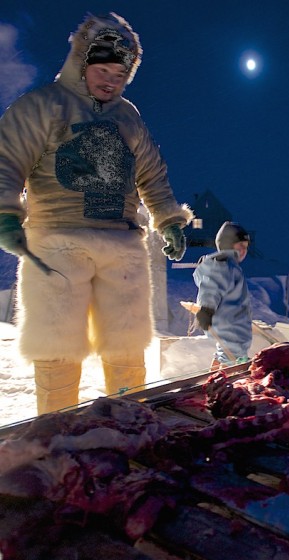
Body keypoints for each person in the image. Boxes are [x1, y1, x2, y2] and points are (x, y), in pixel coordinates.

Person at [0, 12, 193, 414]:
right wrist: (5, 213)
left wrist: (169, 219)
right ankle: (56, 431)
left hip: (121, 243)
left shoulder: (128, 117)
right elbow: (7, 160)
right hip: (56, 240)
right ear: (81, 63)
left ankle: (127, 424)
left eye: (119, 75)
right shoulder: (43, 106)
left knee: (126, 347)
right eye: (102, 69)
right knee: (57, 348)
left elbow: (151, 174)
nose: (110, 80)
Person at [193, 221, 252, 369]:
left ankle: (213, 383)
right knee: (232, 361)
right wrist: (206, 309)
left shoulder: (229, 265)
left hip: (232, 323)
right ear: (228, 244)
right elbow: (211, 288)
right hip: (231, 326)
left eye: (246, 247)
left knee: (225, 355)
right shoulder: (223, 265)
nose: (244, 251)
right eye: (241, 246)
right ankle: (222, 387)